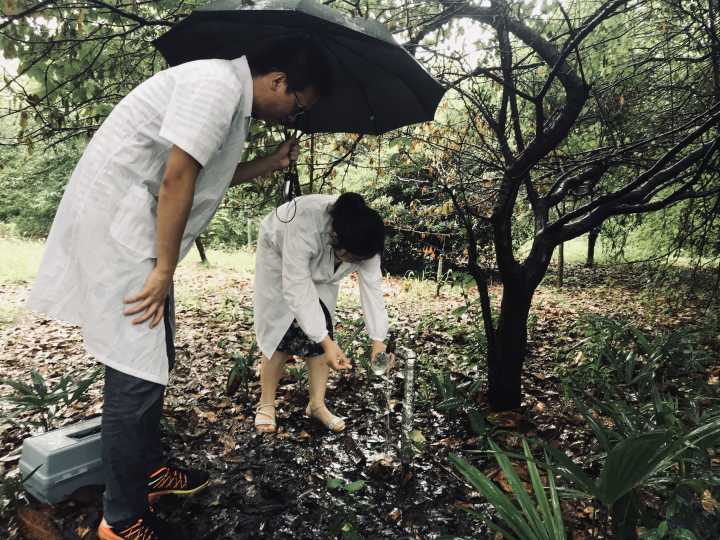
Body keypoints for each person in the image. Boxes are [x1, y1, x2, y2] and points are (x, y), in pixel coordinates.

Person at [27, 36, 333, 540]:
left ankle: (147, 470)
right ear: (279, 82)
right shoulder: (215, 86)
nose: (294, 116)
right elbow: (177, 179)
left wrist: (271, 163)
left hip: (138, 239)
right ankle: (121, 520)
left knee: (155, 358)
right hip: (121, 238)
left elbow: (207, 177)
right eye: (299, 106)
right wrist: (164, 270)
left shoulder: (230, 99)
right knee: (135, 372)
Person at [253, 192, 391, 434]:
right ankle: (266, 404)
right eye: (352, 258)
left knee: (323, 324)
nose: (355, 263)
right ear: (336, 238)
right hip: (280, 253)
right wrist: (326, 342)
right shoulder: (304, 222)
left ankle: (317, 404)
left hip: (323, 268)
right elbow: (296, 287)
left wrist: (378, 341)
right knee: (281, 330)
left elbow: (373, 289)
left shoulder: (366, 239)